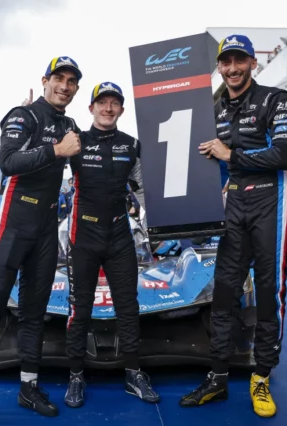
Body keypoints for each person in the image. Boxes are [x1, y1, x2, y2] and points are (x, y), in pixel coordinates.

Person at [0, 56, 82, 426]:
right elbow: (8, 162)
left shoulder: (71, 126)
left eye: (71, 81)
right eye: (59, 78)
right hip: (12, 223)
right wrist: (57, 151)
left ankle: (28, 387)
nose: (65, 86)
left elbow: (84, 168)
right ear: (45, 80)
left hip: (46, 226)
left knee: (34, 312)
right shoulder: (23, 115)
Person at [180, 35, 287, 418]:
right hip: (235, 203)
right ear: (219, 67)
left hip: (271, 199)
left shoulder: (277, 99)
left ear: (252, 63)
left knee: (268, 291)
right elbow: (203, 163)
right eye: (226, 62)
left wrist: (232, 155)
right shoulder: (213, 110)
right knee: (224, 291)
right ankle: (217, 376)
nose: (232, 68)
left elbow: (286, 154)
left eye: (239, 60)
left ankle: (261, 376)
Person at [63, 82, 159, 408]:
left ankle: (133, 373)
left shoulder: (131, 144)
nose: (108, 108)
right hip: (83, 236)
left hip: (119, 234)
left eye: (114, 103)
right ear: (91, 108)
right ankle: (76, 375)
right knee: (80, 308)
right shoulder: (76, 141)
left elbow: (143, 190)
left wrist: (155, 225)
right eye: (102, 103)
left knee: (128, 306)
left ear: (121, 109)